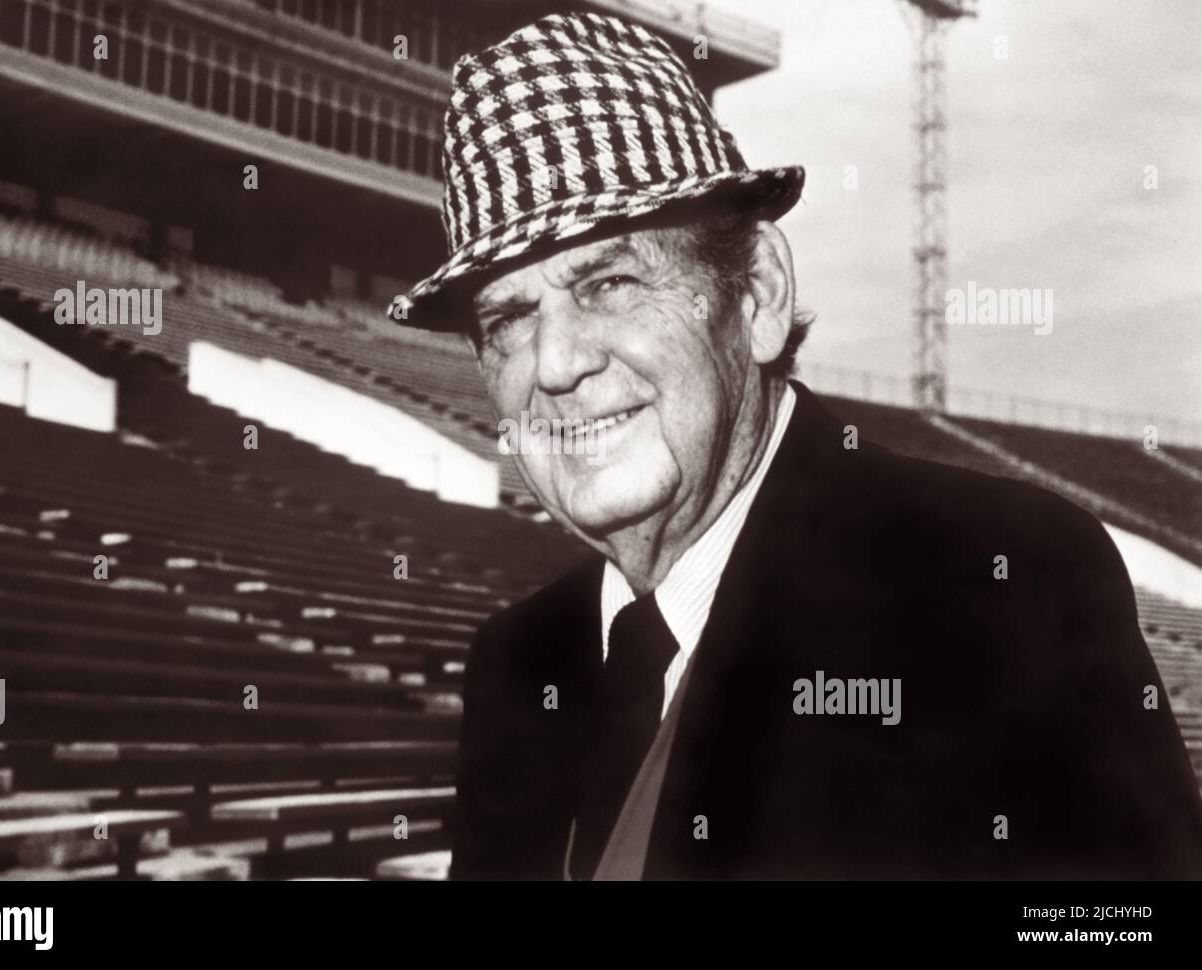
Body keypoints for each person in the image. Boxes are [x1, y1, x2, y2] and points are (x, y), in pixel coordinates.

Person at [388, 11, 1202, 879]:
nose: (555, 364)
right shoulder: (518, 662)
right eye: (508, 319)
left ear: (758, 295)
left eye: (611, 282)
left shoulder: (998, 582)